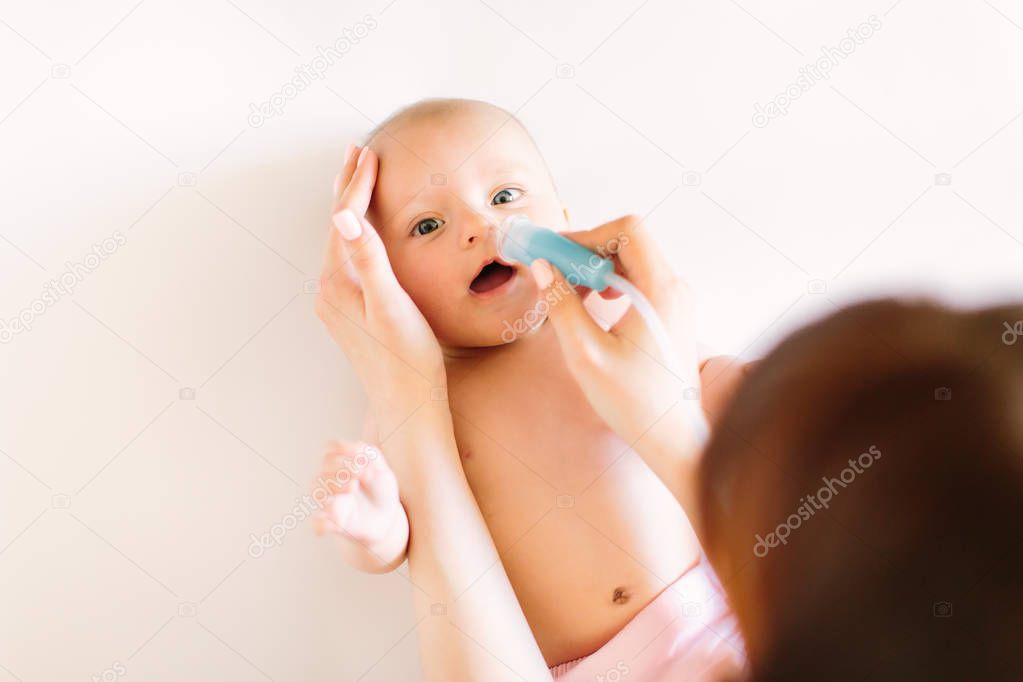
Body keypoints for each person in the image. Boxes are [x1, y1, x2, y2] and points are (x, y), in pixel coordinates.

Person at [314, 99, 746, 680]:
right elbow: (401, 540)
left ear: (565, 220)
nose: (480, 228)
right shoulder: (422, 398)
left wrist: (742, 383)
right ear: (386, 281)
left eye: (504, 197)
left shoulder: (611, 322)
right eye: (427, 225)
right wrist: (369, 525)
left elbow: (693, 383)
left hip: (715, 614)